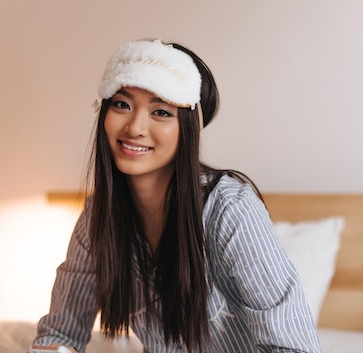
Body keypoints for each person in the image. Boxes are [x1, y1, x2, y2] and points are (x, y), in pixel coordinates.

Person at [31, 39, 322, 353]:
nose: (135, 127)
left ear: (189, 129)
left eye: (160, 111)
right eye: (122, 104)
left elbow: (295, 348)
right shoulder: (97, 217)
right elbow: (61, 331)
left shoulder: (230, 210)